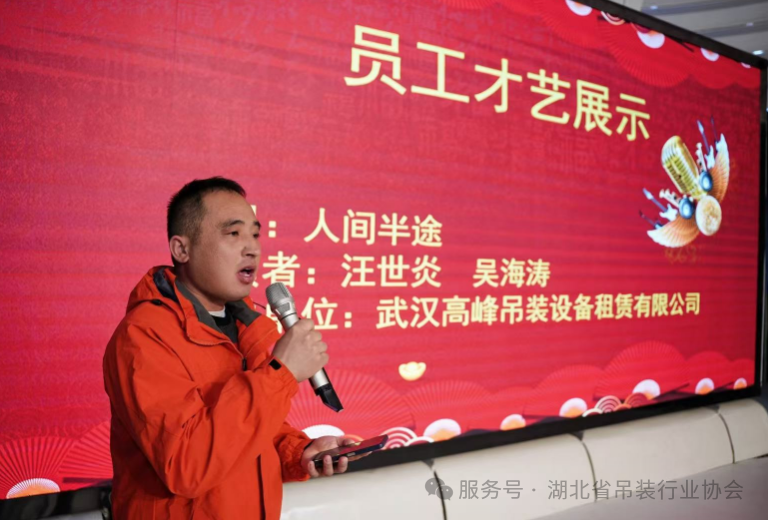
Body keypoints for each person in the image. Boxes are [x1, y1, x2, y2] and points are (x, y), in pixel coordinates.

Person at [103, 177, 364, 519]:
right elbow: (187, 464)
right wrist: (281, 373)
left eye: (255, 234)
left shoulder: (244, 326)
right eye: (233, 233)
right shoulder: (143, 336)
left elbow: (248, 431)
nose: (252, 248)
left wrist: (300, 451)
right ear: (182, 249)